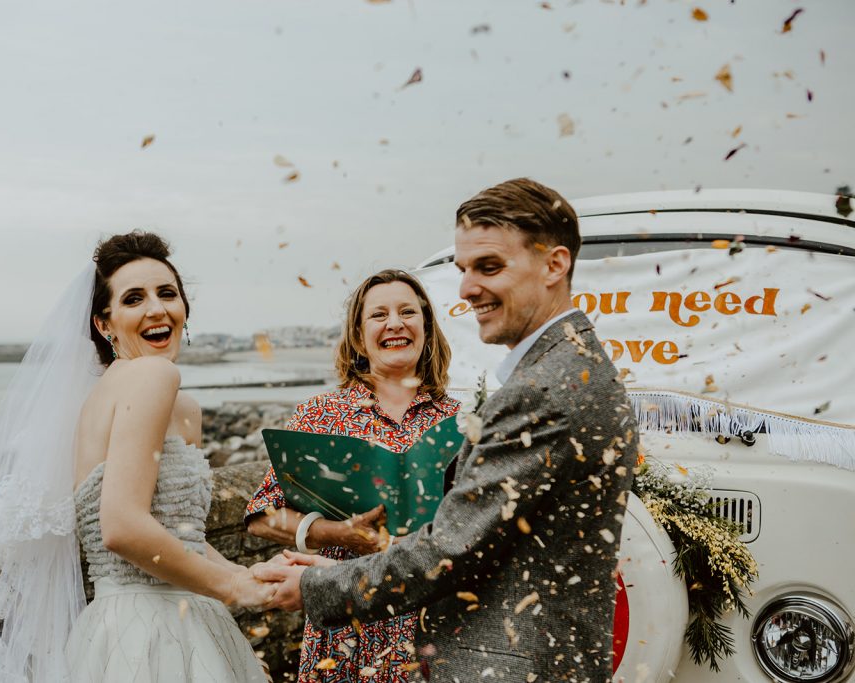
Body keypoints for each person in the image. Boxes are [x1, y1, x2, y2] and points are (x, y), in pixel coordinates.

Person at [257, 179, 639, 683]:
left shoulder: (540, 390)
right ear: (358, 333)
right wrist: (331, 550)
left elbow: (451, 550)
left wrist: (315, 587)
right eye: (463, 271)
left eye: (490, 266)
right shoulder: (572, 367)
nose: (466, 288)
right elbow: (489, 547)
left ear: (554, 264)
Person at [0, 231, 271, 682]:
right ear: (104, 324)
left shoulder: (122, 398)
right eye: (134, 299)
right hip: (153, 631)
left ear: (184, 309)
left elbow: (175, 533)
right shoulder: (153, 376)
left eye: (167, 293)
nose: (156, 308)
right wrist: (232, 588)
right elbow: (123, 527)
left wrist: (249, 573)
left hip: (119, 629)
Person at [245, 269, 461, 682]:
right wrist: (338, 533)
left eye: (407, 313)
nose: (395, 323)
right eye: (379, 315)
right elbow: (261, 515)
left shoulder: (458, 419)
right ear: (360, 338)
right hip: (346, 628)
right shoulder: (321, 414)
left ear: (427, 329)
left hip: (434, 626)